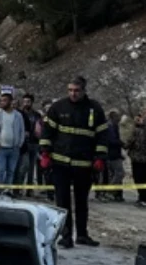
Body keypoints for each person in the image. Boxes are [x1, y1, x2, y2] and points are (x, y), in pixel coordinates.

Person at [40, 77, 107, 248]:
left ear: (84, 90)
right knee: (62, 202)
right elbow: (47, 132)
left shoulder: (95, 108)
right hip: (60, 164)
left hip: (84, 165)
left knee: (82, 202)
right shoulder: (58, 107)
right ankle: (66, 236)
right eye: (70, 90)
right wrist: (45, 154)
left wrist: (100, 157)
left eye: (76, 90)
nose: (73, 94)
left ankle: (82, 235)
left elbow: (102, 135)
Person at [0, 90, 24, 187]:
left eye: (4, 100)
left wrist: (19, 144)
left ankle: (7, 190)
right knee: (0, 170)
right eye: (1, 100)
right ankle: (0, 189)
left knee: (11, 171)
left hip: (14, 148)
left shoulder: (18, 115)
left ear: (10, 101)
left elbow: (22, 130)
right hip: (0, 148)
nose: (2, 103)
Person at [102, 109, 126, 202]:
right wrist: (122, 143)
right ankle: (110, 192)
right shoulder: (110, 127)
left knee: (113, 174)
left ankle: (116, 195)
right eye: (117, 116)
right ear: (112, 116)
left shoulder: (114, 126)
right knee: (120, 173)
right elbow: (112, 141)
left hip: (114, 153)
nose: (119, 118)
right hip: (112, 154)